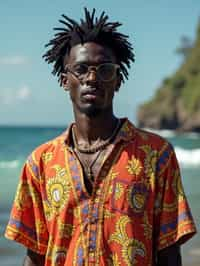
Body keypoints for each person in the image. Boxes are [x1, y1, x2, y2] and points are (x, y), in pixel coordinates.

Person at [5, 8, 196, 266]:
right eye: (81, 69)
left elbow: (169, 254)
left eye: (104, 69)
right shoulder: (40, 164)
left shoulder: (156, 156)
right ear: (64, 80)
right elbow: (35, 256)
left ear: (117, 80)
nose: (92, 78)